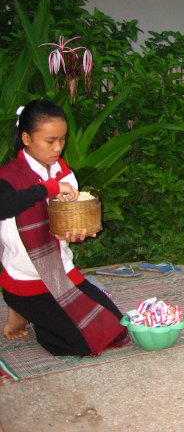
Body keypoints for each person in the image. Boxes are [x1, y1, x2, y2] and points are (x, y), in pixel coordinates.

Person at [0, 100, 128, 356]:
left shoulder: (64, 173)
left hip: (62, 273)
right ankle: (25, 312)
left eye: (62, 139)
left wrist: (78, 232)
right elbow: (5, 206)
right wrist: (49, 188)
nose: (58, 147)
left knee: (118, 330)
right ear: (26, 138)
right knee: (79, 344)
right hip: (26, 280)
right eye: (50, 141)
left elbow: (63, 226)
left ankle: (45, 313)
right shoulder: (9, 177)